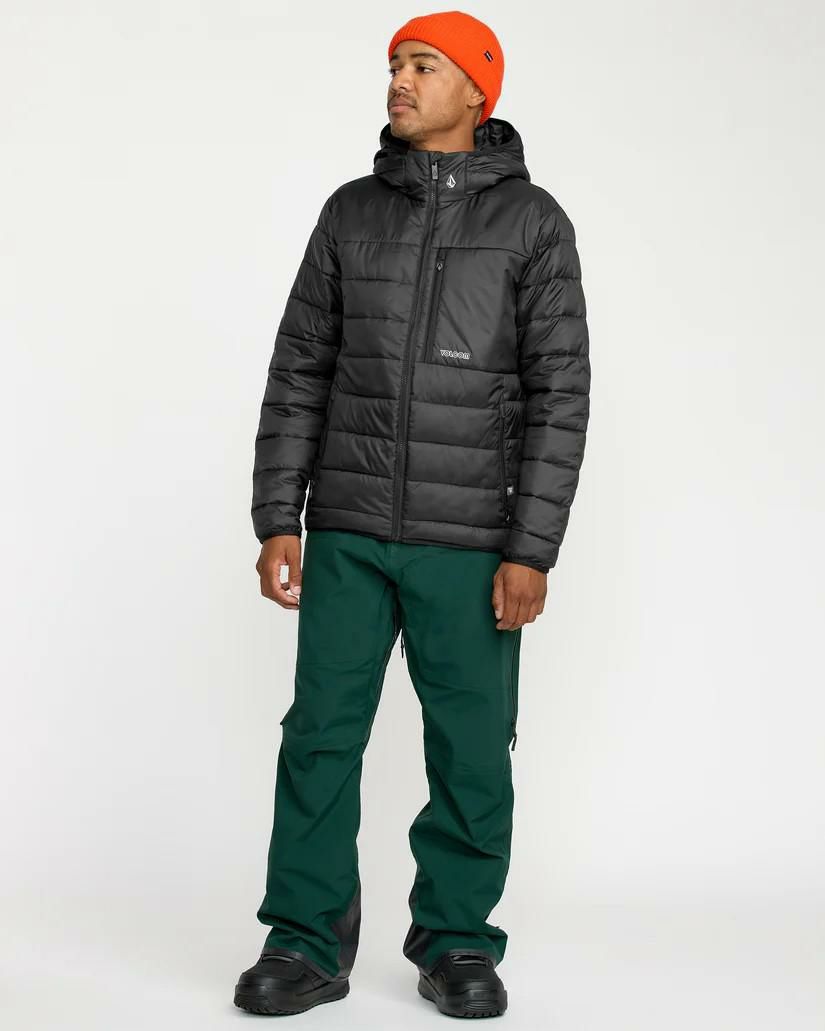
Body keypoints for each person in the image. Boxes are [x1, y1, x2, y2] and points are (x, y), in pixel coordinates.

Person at [234, 10, 590, 1019]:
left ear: (477, 88)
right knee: (318, 737)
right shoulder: (349, 212)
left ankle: (457, 938)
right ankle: (303, 940)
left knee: (472, 747)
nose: (399, 79)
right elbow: (298, 368)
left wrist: (532, 548)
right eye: (395, 63)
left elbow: (560, 393)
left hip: (471, 539)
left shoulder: (533, 223)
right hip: (348, 526)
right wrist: (278, 515)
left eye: (423, 65)